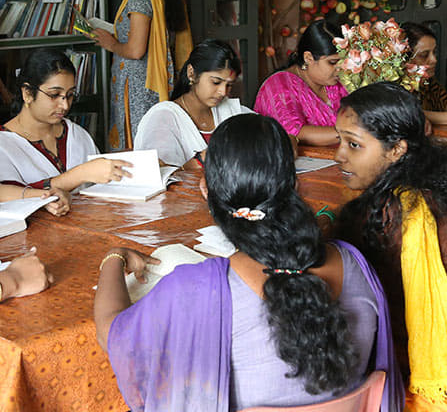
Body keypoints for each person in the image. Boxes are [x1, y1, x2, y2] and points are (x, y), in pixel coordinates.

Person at [95, 114, 401, 412]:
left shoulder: (197, 289)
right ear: (293, 186)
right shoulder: (354, 263)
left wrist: (114, 257)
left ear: (206, 190)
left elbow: (112, 334)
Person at [335, 82, 447, 412]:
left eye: (353, 144)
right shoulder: (441, 185)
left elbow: (370, 313)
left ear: (396, 150)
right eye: (340, 140)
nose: (340, 155)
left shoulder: (400, 213)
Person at [94, 0, 191, 151]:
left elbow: (136, 49)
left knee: (137, 151)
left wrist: (110, 43)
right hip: (150, 86)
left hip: (138, 88)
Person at [0, 49, 132, 192]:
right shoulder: (4, 144)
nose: (65, 105)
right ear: (27, 93)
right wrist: (80, 174)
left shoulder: (77, 135)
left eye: (69, 95)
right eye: (54, 95)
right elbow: (10, 197)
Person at [134, 39, 251, 168]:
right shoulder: (163, 118)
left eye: (229, 85)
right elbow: (159, 176)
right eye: (216, 82)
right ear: (192, 73)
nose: (223, 92)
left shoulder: (233, 111)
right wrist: (202, 160)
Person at [254, 20, 348, 145]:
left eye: (343, 61)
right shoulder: (278, 87)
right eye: (332, 62)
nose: (340, 68)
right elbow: (294, 133)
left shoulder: (336, 82)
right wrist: (353, 133)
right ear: (308, 58)